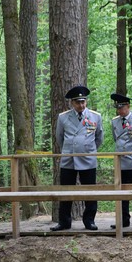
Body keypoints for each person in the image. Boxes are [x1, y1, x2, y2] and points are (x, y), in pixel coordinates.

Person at [51, 86, 104, 231]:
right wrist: (69, 149)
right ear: (72, 103)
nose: (81, 105)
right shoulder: (63, 117)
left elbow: (99, 137)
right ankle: (64, 222)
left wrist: (88, 149)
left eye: (83, 102)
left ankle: (89, 221)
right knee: (66, 191)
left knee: (90, 191)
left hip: (88, 158)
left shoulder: (95, 116)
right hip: (69, 159)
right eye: (78, 102)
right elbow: (59, 137)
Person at [109, 93, 132, 230]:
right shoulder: (114, 121)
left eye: (122, 107)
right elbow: (116, 139)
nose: (119, 110)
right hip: (121, 163)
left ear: (128, 106)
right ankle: (123, 219)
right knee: (121, 193)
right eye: (118, 108)